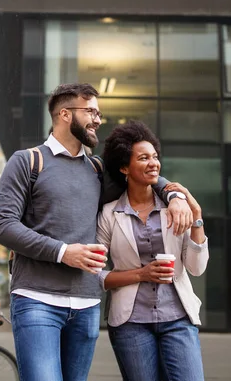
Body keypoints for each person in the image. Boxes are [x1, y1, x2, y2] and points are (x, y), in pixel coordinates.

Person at [0, 83, 192, 381]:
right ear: (65, 114)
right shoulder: (28, 161)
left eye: (99, 113)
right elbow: (2, 225)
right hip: (36, 300)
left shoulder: (97, 170)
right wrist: (63, 252)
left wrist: (174, 195)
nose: (98, 119)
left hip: (86, 305)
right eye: (91, 112)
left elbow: (143, 171)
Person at [97, 121, 209, 381]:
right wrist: (141, 274)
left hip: (178, 318)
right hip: (130, 323)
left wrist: (197, 219)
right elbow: (95, 274)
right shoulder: (109, 214)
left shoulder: (175, 208)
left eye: (155, 157)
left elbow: (196, 268)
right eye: (143, 158)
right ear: (125, 167)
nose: (153, 163)